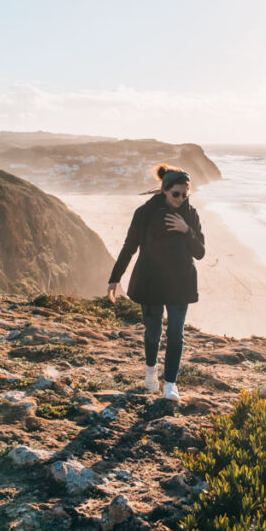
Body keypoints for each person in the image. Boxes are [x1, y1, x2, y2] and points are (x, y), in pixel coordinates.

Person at [106, 164, 205, 402]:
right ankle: (151, 372)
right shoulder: (144, 213)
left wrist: (186, 230)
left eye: (185, 194)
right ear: (164, 191)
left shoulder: (190, 215)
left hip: (181, 283)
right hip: (150, 281)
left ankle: (170, 384)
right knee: (153, 334)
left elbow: (200, 252)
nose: (180, 199)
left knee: (176, 334)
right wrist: (114, 278)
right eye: (175, 194)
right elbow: (129, 248)